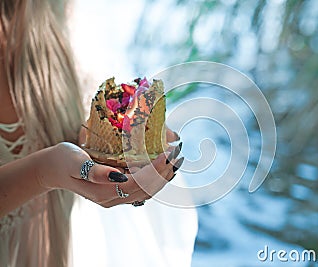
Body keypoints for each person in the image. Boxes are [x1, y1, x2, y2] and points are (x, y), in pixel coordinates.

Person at [0, 0, 196, 266]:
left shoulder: (56, 7)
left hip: (71, 243)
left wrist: (101, 142)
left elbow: (69, 117)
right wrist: (43, 171)